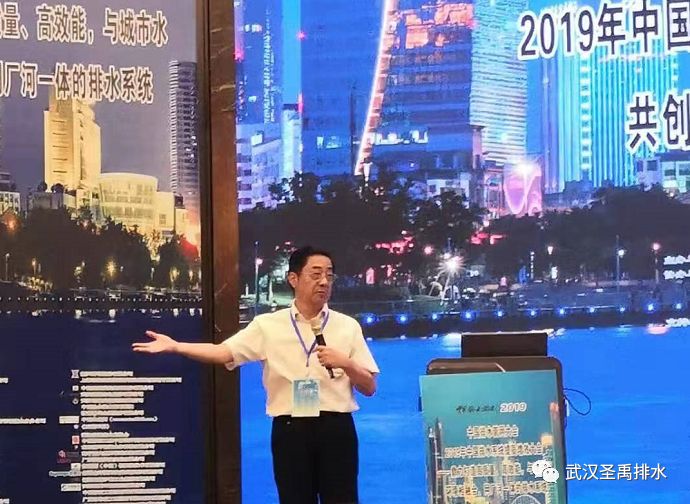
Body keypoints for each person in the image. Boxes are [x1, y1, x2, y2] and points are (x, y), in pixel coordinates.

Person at [133, 246, 380, 504]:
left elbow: (369, 387)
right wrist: (176, 346)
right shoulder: (268, 325)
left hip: (336, 428)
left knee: (342, 499)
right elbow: (223, 353)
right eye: (315, 274)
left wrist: (346, 363)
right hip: (290, 429)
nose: (324, 282)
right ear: (293, 279)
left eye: (329, 275)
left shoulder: (347, 326)